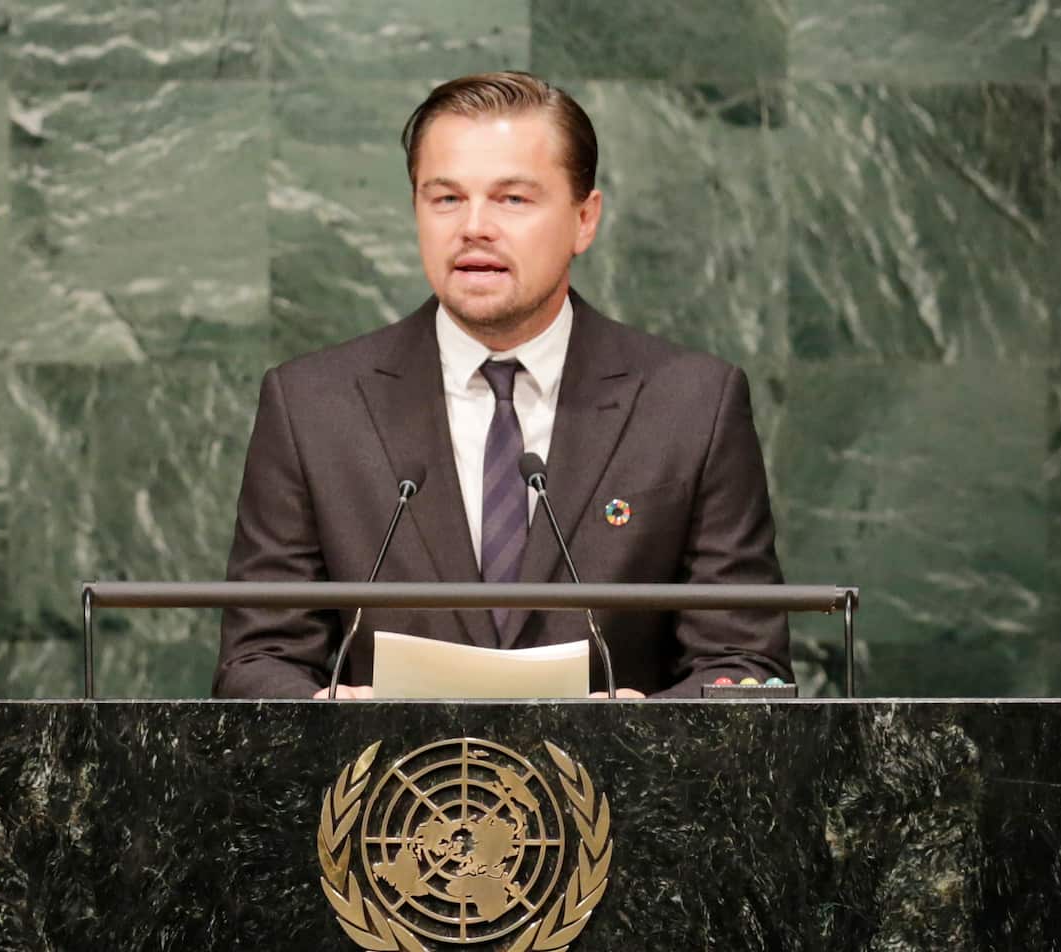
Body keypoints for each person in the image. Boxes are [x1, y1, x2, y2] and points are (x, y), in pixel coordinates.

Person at [212, 72, 792, 700]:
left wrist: (643, 736)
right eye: (446, 199)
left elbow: (743, 660)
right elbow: (257, 659)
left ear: (584, 219)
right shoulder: (312, 407)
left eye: (513, 199)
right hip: (392, 794)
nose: (474, 227)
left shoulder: (691, 405)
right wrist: (325, 713)